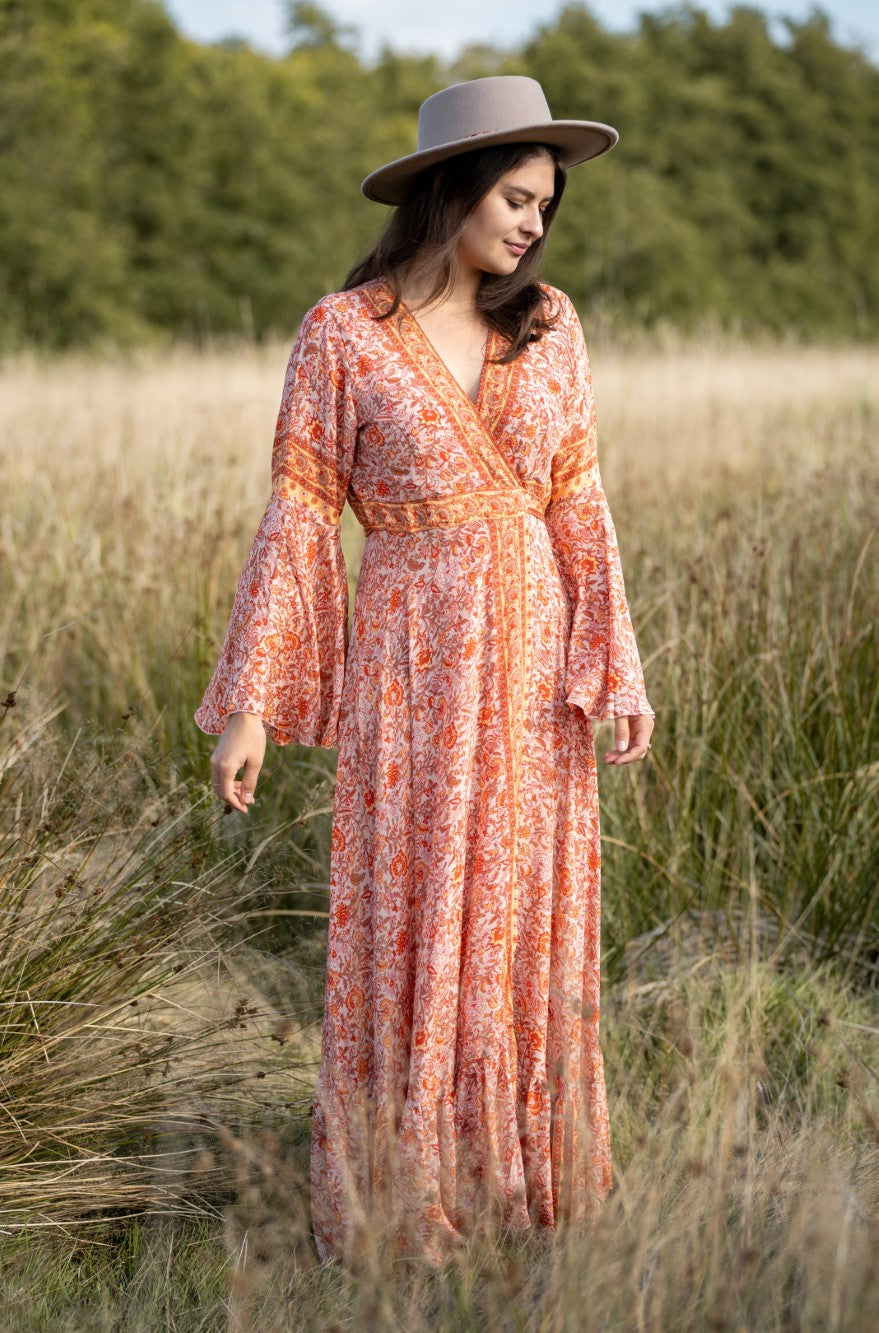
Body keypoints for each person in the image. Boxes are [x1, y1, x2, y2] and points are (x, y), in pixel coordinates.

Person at [195, 75, 655, 1266]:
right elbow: (301, 514)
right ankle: (409, 1195)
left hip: (536, 670)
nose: (534, 225)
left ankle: (523, 1186)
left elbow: (579, 499)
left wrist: (615, 664)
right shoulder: (342, 333)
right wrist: (251, 705)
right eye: (515, 198)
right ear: (451, 188)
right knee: (415, 908)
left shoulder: (549, 323)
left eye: (545, 206)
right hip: (411, 669)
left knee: (522, 912)